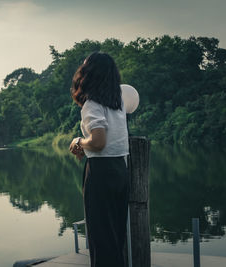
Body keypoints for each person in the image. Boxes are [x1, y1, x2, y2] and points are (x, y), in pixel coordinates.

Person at [69, 52, 130, 267]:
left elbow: (98, 141)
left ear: (89, 74)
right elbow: (109, 141)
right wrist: (89, 146)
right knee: (115, 236)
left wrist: (78, 142)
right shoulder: (118, 103)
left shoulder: (92, 104)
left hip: (101, 173)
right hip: (120, 170)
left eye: (84, 68)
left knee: (101, 238)